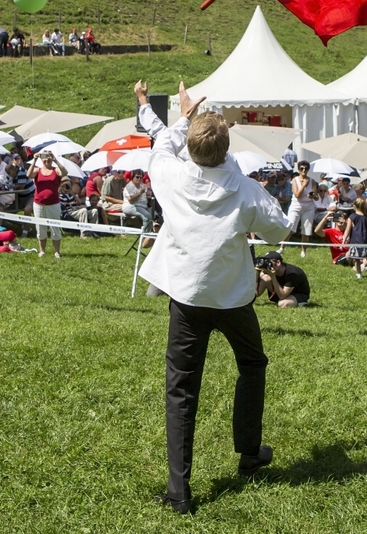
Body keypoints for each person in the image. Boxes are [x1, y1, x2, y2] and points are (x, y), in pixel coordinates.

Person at [135, 80, 291, 515]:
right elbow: (279, 229)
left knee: (182, 389)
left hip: (186, 296)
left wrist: (183, 115)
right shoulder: (243, 188)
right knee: (252, 364)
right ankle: (249, 451)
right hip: (233, 297)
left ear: (192, 147)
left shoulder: (170, 174)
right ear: (227, 150)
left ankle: (179, 493)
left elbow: (161, 145)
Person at [28, 150, 63, 258]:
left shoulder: (56, 170)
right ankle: (42, 250)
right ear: (41, 159)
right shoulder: (37, 170)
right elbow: (28, 175)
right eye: (44, 157)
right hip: (39, 204)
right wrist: (34, 160)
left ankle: (57, 251)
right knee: (40, 228)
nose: (46, 160)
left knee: (55, 228)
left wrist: (56, 160)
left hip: (53, 204)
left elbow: (65, 172)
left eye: (48, 157)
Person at [283, 160, 318, 258]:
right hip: (296, 206)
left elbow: (317, 197)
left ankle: (303, 251)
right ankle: (282, 247)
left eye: (306, 168)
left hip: (309, 207)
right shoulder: (294, 180)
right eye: (301, 168)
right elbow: (297, 194)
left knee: (306, 229)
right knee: (290, 227)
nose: (304, 170)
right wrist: (304, 185)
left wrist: (313, 196)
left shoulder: (312, 181)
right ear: (298, 169)